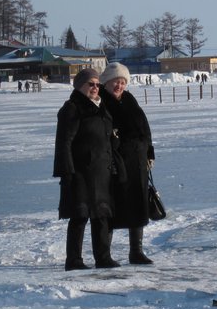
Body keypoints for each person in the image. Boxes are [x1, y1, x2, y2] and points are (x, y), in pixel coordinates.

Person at [53, 68, 120, 271]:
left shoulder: (101, 107)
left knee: (101, 215)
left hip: (101, 171)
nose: (95, 88)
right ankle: (73, 260)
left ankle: (103, 257)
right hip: (80, 172)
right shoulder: (72, 108)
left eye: (97, 84)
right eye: (90, 84)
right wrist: (67, 172)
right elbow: (64, 143)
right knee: (79, 215)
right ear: (79, 86)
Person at [100, 62, 156, 265]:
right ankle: (104, 254)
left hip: (138, 163)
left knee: (137, 206)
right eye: (116, 81)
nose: (119, 86)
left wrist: (150, 153)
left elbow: (144, 128)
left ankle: (136, 252)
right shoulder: (101, 102)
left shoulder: (130, 99)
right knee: (112, 208)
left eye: (123, 82)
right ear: (106, 82)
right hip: (116, 163)